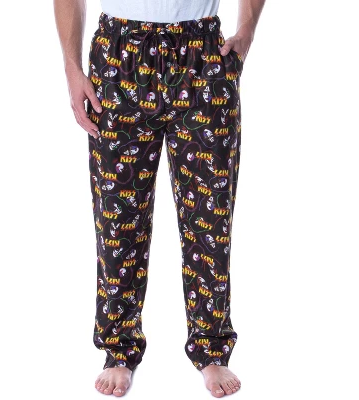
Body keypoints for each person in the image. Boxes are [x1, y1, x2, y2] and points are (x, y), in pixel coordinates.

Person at [54, 0, 265, 397]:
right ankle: (118, 348)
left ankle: (211, 346)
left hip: (202, 53)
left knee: (210, 217)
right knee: (117, 220)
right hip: (119, 54)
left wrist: (248, 29)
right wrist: (71, 66)